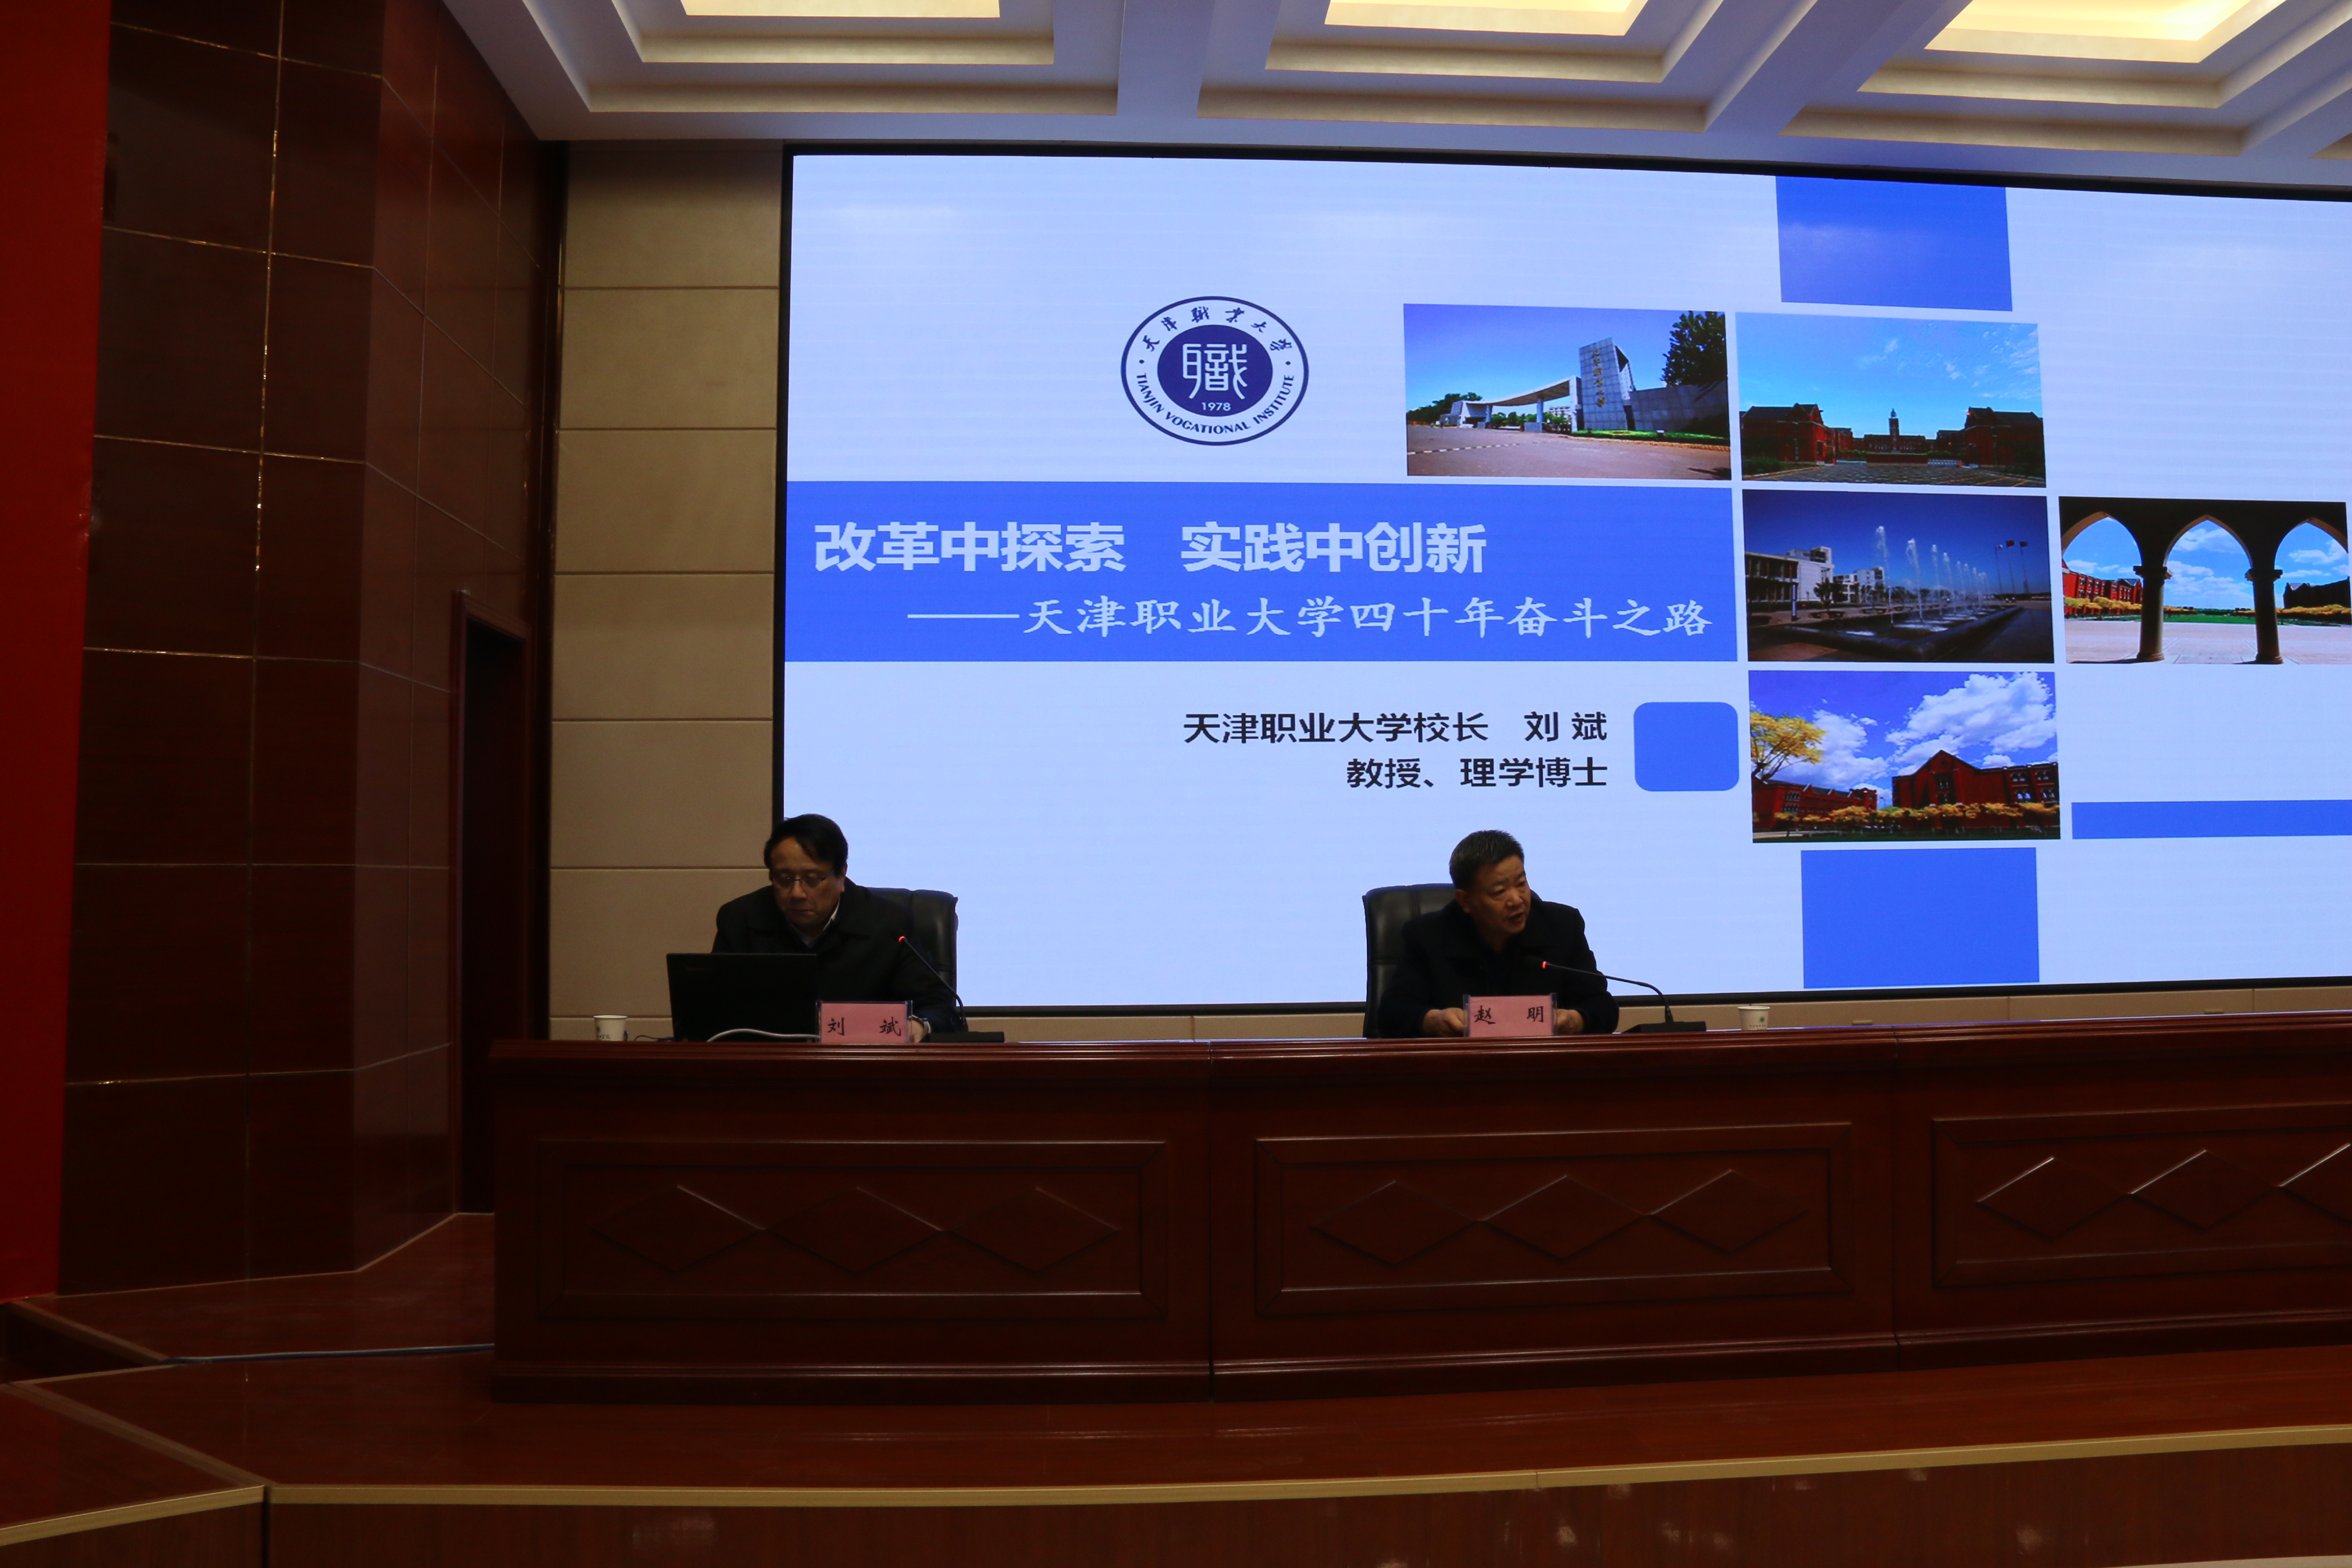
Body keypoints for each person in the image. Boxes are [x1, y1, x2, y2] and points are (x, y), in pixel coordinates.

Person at [712, 814, 961, 1040]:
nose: (796, 893)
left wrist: (917, 1025)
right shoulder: (740, 920)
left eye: (812, 879)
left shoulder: (890, 925)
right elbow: (713, 1009)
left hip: (864, 1065)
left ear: (841, 875)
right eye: (784, 879)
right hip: (769, 1067)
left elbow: (939, 1008)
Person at [1377, 828, 1620, 1039]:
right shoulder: (1427, 936)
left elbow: (1602, 1006)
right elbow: (1391, 1014)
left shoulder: (1562, 926)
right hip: (1459, 1069)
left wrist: (1577, 1019)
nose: (1517, 900)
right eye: (1499, 892)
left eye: (1521, 884)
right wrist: (1432, 1020)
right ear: (1465, 901)